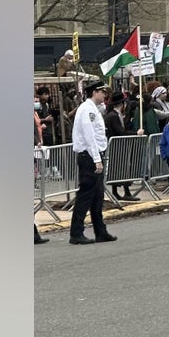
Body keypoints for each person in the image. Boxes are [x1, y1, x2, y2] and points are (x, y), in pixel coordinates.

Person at [68, 81, 117, 245]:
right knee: (86, 194)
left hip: (93, 155)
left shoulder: (93, 109)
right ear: (94, 92)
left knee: (97, 196)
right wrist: (97, 159)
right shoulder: (87, 109)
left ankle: (100, 231)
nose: (105, 95)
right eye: (102, 92)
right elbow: (89, 136)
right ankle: (76, 232)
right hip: (89, 156)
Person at [103, 91, 141, 201]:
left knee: (120, 168)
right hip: (117, 146)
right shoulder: (113, 116)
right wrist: (136, 133)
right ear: (122, 104)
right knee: (121, 168)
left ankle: (121, 191)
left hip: (118, 145)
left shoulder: (116, 115)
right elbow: (121, 131)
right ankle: (121, 192)